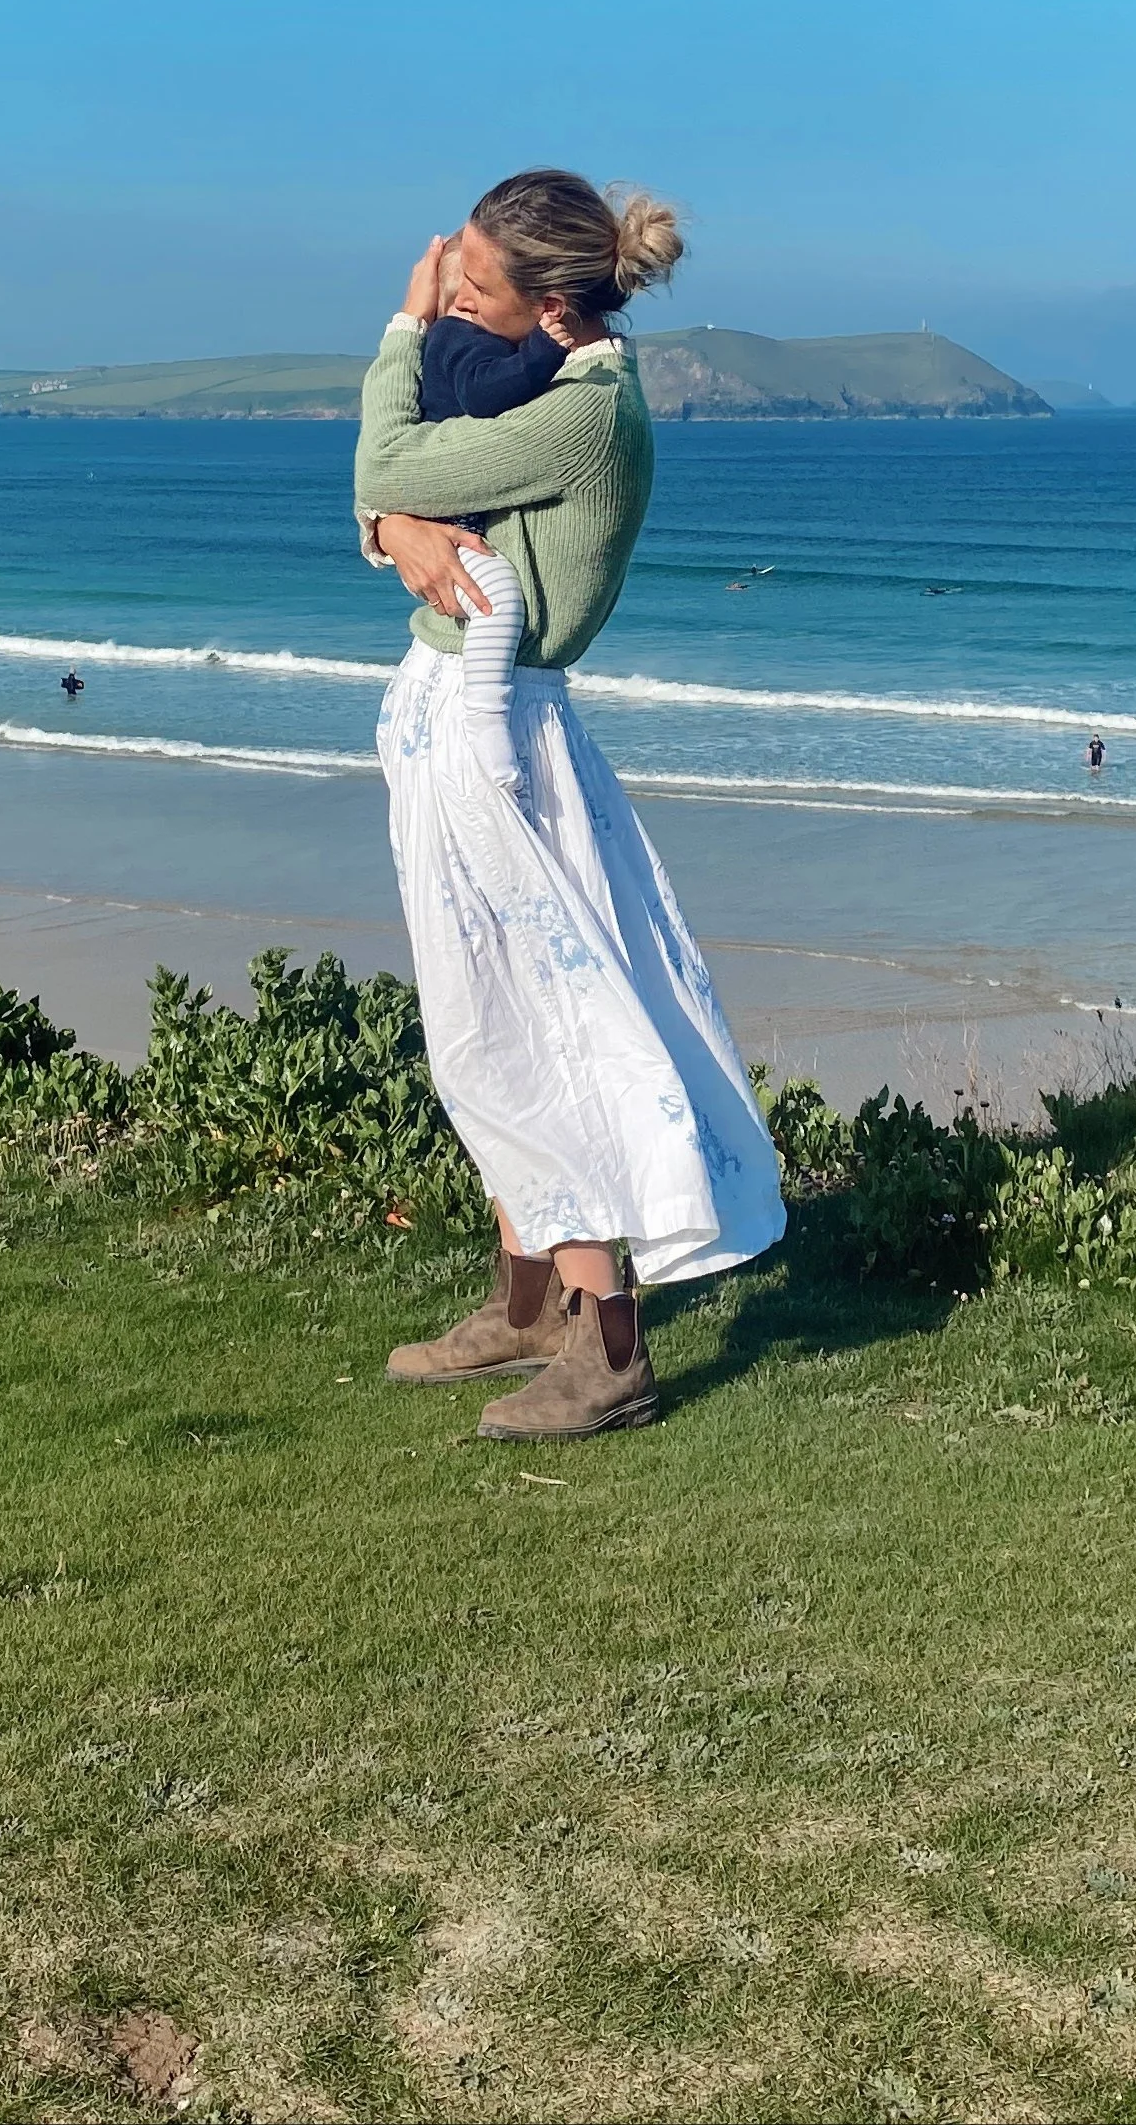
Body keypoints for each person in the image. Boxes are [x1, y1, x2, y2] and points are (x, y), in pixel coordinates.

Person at [355, 169, 786, 1438]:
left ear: (550, 303)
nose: (445, 301)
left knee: (542, 1024)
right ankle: (529, 1299)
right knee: (477, 1018)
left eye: (470, 285)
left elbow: (386, 454)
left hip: (502, 729)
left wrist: (394, 336)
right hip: (458, 710)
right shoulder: (548, 380)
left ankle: (606, 1347)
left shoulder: (585, 416)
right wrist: (395, 533)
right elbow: (390, 491)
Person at [411, 238, 569, 794]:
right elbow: (483, 395)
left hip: (452, 508)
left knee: (491, 593)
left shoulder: (455, 336)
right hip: (450, 514)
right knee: (497, 595)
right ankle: (484, 713)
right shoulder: (459, 339)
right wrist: (543, 353)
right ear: (469, 303)